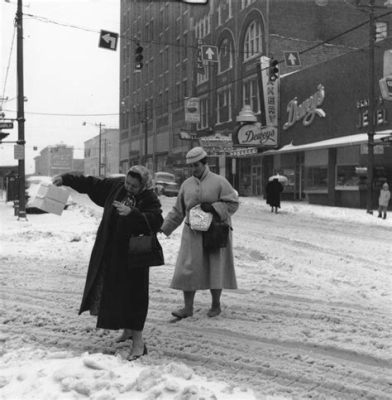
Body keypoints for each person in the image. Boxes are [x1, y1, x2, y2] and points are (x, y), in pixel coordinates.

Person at [52, 166, 163, 360]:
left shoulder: (149, 197)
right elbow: (92, 184)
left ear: (143, 185)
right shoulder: (117, 186)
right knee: (118, 292)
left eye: (134, 186)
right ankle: (128, 331)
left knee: (135, 296)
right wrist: (66, 179)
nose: (129, 188)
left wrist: (133, 213)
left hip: (136, 255)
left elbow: (156, 220)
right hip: (114, 251)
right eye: (127, 183)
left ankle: (139, 343)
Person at [161, 147, 239, 319]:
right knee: (188, 268)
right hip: (193, 233)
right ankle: (187, 308)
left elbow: (233, 204)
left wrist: (213, 207)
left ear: (205, 163)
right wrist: (164, 227)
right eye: (191, 166)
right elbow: (178, 210)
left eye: (196, 165)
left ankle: (216, 305)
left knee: (215, 267)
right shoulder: (186, 185)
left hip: (215, 232)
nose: (193, 169)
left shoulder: (220, 182)